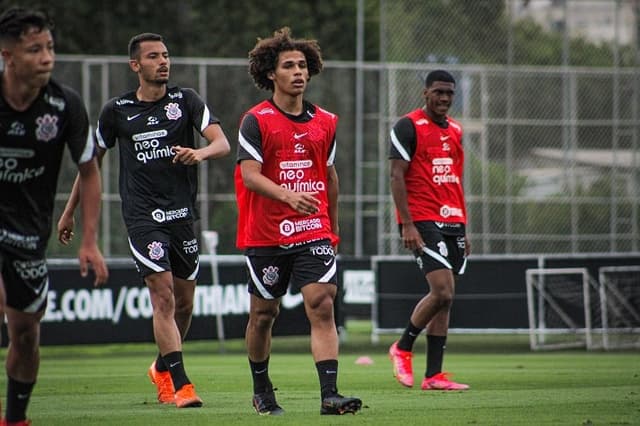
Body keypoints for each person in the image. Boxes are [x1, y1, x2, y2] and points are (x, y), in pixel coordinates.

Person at [57, 32, 230, 408]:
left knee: (184, 304)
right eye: (153, 57)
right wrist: (69, 212)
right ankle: (181, 385)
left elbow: (222, 143)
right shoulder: (116, 110)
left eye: (165, 55)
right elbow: (90, 165)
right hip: (142, 217)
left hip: (183, 216)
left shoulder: (185, 101)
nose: (163, 62)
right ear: (135, 65)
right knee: (163, 297)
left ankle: (161, 367)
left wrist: (199, 154)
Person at [235, 27, 362, 416]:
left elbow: (330, 178)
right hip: (266, 232)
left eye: (303, 65)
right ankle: (262, 390)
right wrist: (289, 195)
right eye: (288, 65)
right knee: (263, 315)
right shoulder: (255, 120)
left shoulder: (325, 121)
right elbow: (250, 175)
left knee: (322, 304)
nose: (298, 72)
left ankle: (329, 395)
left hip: (313, 230)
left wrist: (332, 228)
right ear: (270, 73)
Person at [0, 7, 109, 425]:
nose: (47, 57)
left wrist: (89, 240)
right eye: (34, 49)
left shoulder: (64, 105)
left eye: (49, 47)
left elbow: (89, 170)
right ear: (8, 56)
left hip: (29, 233)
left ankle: (16, 418)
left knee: (26, 333)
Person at [387, 69, 470, 391]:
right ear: (426, 93)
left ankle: (433, 375)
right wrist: (406, 223)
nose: (444, 99)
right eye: (439, 92)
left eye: (449, 93)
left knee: (445, 301)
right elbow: (396, 175)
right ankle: (403, 347)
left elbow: (454, 179)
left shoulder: (457, 131)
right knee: (442, 290)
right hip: (422, 219)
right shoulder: (408, 126)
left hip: (453, 222)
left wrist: (464, 227)